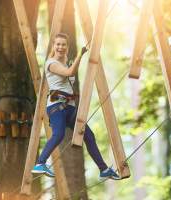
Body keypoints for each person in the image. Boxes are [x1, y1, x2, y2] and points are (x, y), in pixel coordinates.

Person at [31, 33, 120, 180]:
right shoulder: (51, 63)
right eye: (58, 44)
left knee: (89, 136)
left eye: (63, 44)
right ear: (53, 46)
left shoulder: (66, 61)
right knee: (58, 134)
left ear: (67, 47)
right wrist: (80, 55)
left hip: (70, 108)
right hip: (57, 106)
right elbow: (69, 72)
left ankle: (103, 169)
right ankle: (40, 163)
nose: (60, 47)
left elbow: (69, 76)